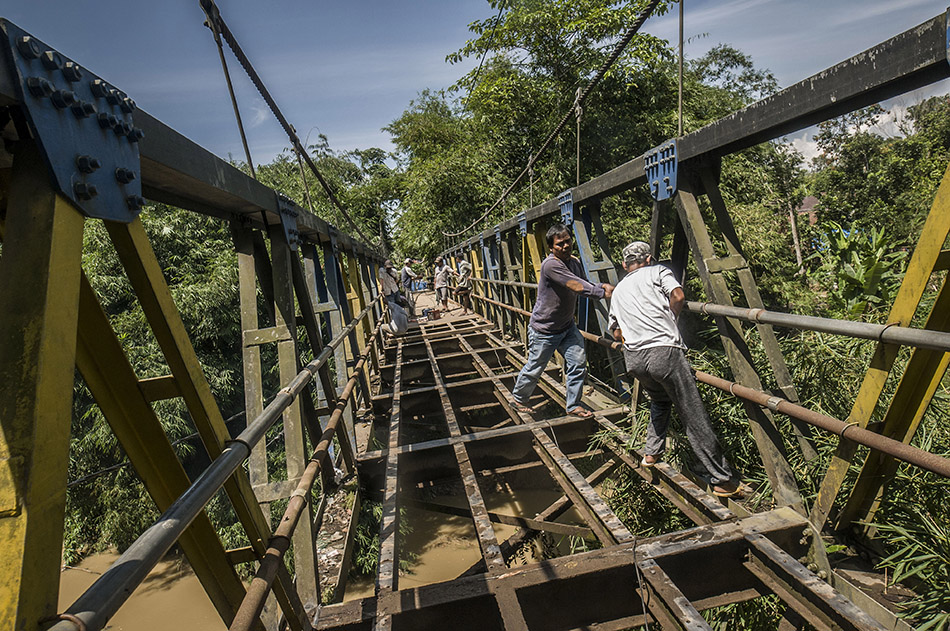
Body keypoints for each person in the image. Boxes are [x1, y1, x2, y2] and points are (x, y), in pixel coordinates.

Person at [607, 241, 741, 497]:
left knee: (659, 400)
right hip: (664, 352)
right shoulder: (658, 272)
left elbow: (615, 330)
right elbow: (678, 296)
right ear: (649, 259)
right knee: (692, 412)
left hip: (634, 359)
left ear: (625, 265)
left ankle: (651, 452)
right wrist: (670, 319)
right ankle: (721, 479)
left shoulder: (619, 289)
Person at [511, 223, 614, 418]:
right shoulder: (550, 265)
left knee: (578, 362)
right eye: (560, 244)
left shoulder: (573, 261)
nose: (565, 246)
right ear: (551, 247)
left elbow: (584, 282)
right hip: (545, 329)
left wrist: (601, 285)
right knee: (536, 366)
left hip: (567, 326)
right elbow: (575, 286)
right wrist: (602, 292)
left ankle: (573, 405)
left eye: (567, 241)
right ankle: (518, 398)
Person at [377, 259, 408, 336]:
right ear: (384, 266)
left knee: (396, 306)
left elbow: (397, 280)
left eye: (390, 267)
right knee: (392, 307)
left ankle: (396, 325)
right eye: (388, 268)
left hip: (395, 290)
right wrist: (381, 290)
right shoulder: (381, 271)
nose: (389, 269)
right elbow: (381, 281)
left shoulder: (394, 271)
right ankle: (394, 323)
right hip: (388, 291)